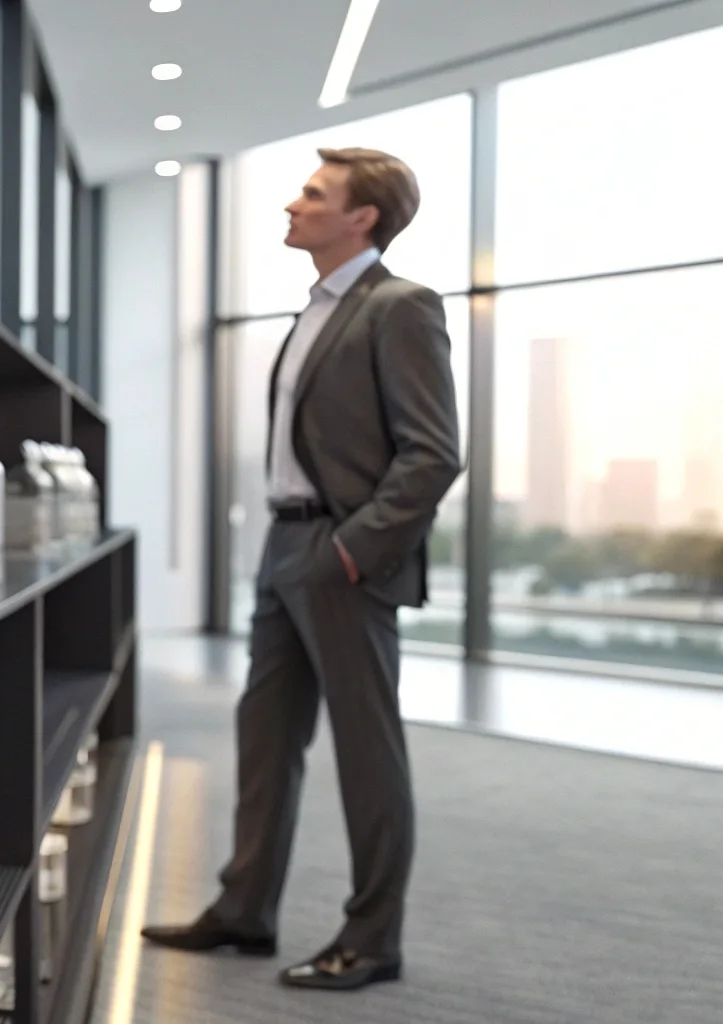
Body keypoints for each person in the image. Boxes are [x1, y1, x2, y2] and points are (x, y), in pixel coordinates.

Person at [141, 148, 462, 991]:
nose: (292, 204)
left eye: (314, 194)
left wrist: (355, 549)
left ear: (362, 217)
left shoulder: (401, 307)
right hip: (285, 547)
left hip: (341, 557)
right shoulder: (314, 310)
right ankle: (244, 911)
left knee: (366, 753)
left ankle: (374, 939)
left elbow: (432, 455)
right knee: (265, 740)